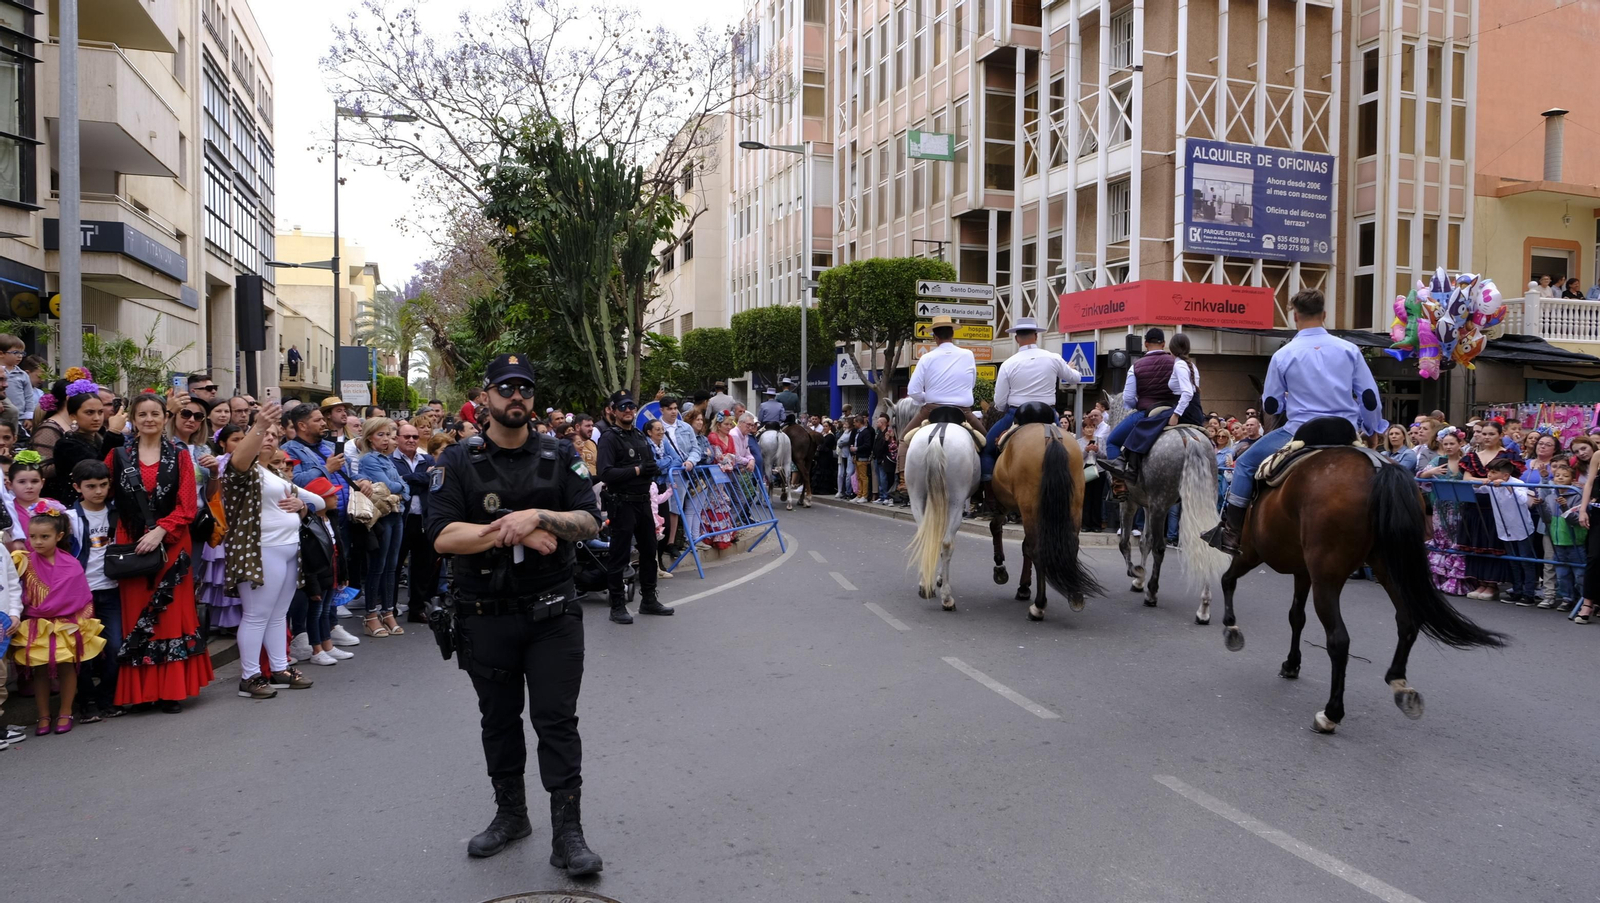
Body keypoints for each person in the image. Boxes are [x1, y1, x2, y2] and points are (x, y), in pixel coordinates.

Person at [426, 352, 606, 874]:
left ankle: (568, 835)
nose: (517, 398)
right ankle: (511, 815)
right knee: (499, 721)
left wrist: (542, 514)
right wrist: (517, 528)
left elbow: (589, 521)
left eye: (525, 388)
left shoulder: (559, 455)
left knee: (556, 721)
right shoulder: (457, 460)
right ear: (485, 396)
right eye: (506, 389)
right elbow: (441, 536)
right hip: (484, 614)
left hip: (553, 614)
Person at [1203, 290, 1387, 555]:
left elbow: (1271, 405)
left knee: (1243, 464)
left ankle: (1231, 534)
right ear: (1324, 315)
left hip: (1299, 433)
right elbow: (1370, 399)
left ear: (1295, 316)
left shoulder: (1284, 354)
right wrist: (1372, 430)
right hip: (1345, 432)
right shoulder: (1350, 350)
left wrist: (1286, 399)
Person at [106, 394, 212, 713]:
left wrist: (160, 530)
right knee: (136, 615)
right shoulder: (116, 454)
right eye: (142, 414)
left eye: (155, 413)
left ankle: (170, 691)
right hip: (131, 543)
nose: (149, 419)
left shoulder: (179, 455)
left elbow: (187, 506)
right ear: (134, 420)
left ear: (165, 417)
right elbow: (103, 492)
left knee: (169, 618)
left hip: (171, 541)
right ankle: (141, 693)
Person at [220, 403, 321, 698]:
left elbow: (322, 501)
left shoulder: (275, 474)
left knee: (278, 614)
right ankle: (249, 676)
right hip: (261, 550)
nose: (269, 438)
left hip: (288, 549)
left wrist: (302, 506)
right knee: (256, 615)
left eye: (275, 435)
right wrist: (260, 425)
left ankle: (279, 669)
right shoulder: (243, 471)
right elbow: (239, 458)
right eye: (264, 434)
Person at [11, 502, 104, 735]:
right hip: (36, 624)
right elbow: (14, 590)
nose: (38, 541)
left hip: (66, 624)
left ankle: (65, 711)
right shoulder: (23, 561)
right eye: (32, 536)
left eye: (44, 536)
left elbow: (81, 596)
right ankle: (43, 716)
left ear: (59, 535)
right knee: (39, 670)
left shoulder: (71, 564)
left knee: (67, 667)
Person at [596, 389, 672, 624]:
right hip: (623, 503)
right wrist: (637, 470)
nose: (628, 411)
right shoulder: (610, 437)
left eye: (631, 407)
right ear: (613, 410)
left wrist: (652, 468)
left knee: (649, 551)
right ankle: (617, 605)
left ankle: (649, 599)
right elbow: (605, 472)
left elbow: (650, 464)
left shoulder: (639, 436)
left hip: (643, 502)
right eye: (623, 407)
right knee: (619, 555)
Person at [981, 316, 1081, 482]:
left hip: (1016, 414)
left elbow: (999, 402)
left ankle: (989, 490)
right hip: (1048, 414)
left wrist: (1005, 407)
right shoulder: (1053, 358)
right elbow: (1075, 378)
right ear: (1036, 336)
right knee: (1071, 445)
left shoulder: (1008, 364)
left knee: (987, 449)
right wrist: (1069, 368)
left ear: (1016, 338)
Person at [65, 460, 121, 721]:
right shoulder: (68, 517)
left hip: (112, 589)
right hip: (81, 594)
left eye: (103, 485)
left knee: (115, 647)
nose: (98, 491)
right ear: (77, 487)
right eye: (91, 486)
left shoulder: (118, 511)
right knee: (83, 651)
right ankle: (86, 701)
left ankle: (106, 698)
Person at [897, 316, 985, 481]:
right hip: (963, 411)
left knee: (903, 439)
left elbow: (913, 390)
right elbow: (971, 383)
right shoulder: (968, 355)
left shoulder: (927, 358)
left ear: (935, 337)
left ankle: (902, 479)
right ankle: (987, 483)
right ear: (952, 335)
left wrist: (925, 399)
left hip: (932, 409)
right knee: (986, 442)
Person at [357, 417, 409, 636]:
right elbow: (390, 486)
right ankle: (370, 615)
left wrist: (399, 488)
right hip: (381, 517)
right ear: (370, 438)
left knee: (392, 565)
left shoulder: (388, 460)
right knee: (377, 566)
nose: (387, 439)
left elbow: (405, 489)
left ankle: (388, 612)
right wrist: (400, 487)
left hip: (396, 514)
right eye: (381, 435)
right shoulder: (370, 459)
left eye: (389, 434)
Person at [1458, 418, 1519, 601]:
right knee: (1476, 542)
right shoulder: (1471, 456)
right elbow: (1466, 479)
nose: (1486, 437)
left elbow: (1510, 479)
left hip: (1497, 506)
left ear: (1501, 435)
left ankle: (1492, 583)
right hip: (1474, 505)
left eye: (1491, 434)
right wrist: (1485, 481)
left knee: (1493, 543)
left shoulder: (1508, 455)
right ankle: (1479, 582)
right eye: (1484, 434)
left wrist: (1483, 480)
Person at [1104, 328, 1179, 470]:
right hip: (1173, 412)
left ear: (1145, 344)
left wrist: (1138, 404)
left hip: (1147, 413)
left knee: (1112, 442)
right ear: (1163, 344)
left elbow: (1128, 397)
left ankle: (1119, 482)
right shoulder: (1175, 363)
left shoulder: (1136, 366)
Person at [297, 477, 350, 666]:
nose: (336, 498)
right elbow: (308, 557)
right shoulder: (309, 524)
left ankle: (328, 645)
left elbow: (339, 547)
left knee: (327, 609)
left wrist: (344, 573)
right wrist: (313, 585)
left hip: (332, 568)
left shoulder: (331, 518)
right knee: (315, 611)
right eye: (331, 495)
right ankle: (316, 649)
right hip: (318, 572)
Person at [1475, 458, 1539, 605]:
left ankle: (1529, 594)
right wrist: (1480, 482)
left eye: (1493, 472)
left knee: (1526, 561)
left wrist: (1507, 486)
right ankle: (1517, 591)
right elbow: (1476, 489)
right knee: (1513, 561)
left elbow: (1523, 500)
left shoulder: (1518, 483)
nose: (1490, 475)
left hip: (1521, 527)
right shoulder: (1491, 484)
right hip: (1504, 527)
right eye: (1489, 472)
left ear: (1504, 475)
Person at [394, 422, 438, 623]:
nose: (411, 440)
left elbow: (435, 481)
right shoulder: (389, 460)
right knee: (394, 565)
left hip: (424, 519)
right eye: (406, 437)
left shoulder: (427, 458)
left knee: (423, 566)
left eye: (414, 437)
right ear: (397, 439)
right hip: (401, 519)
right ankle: (390, 607)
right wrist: (421, 478)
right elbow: (395, 483)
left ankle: (418, 609)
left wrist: (408, 479)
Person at [1420, 427, 1469, 595]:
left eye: (1452, 444)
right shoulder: (1438, 460)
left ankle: (1457, 580)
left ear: (1460, 443)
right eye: (1445, 444)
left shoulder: (1467, 460)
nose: (1448, 447)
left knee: (1459, 540)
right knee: (1441, 539)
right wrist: (1431, 472)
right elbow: (1419, 476)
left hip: (1461, 508)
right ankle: (1439, 578)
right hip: (1441, 507)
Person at [1542, 461, 1585, 611]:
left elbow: (1576, 520)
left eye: (1565, 476)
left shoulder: (1578, 496)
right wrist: (1540, 505)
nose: (1560, 478)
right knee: (1562, 574)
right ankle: (1567, 598)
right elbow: (1547, 519)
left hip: (1575, 542)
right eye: (1557, 475)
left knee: (1580, 575)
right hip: (1558, 542)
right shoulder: (1550, 496)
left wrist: (1565, 507)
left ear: (1572, 480)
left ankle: (1584, 599)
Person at [0, 333, 35, 427]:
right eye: (16, 352)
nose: (20, 356)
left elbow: (29, 396)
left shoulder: (23, 374)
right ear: (1, 354)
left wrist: (28, 416)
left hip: (20, 418)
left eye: (22, 353)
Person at [851, 413, 875, 504]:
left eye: (855, 422)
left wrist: (856, 448)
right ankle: (859, 494)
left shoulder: (866, 432)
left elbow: (867, 445)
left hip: (863, 457)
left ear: (859, 422)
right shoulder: (858, 432)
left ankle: (864, 495)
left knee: (863, 477)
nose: (854, 424)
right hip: (857, 456)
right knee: (858, 477)